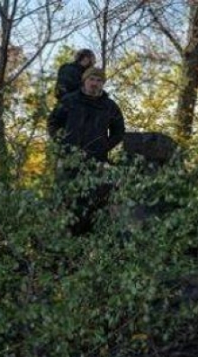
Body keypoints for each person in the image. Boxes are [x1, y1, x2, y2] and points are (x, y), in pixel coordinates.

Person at [48, 67, 126, 233]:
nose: (95, 84)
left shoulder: (109, 106)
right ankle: (62, 237)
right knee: (65, 197)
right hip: (69, 158)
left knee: (93, 199)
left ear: (103, 84)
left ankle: (88, 237)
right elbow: (53, 123)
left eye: (99, 81)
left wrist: (104, 146)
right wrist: (62, 143)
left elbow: (119, 131)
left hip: (96, 161)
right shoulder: (70, 100)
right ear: (85, 81)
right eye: (92, 79)